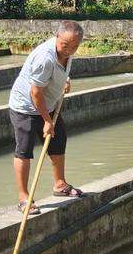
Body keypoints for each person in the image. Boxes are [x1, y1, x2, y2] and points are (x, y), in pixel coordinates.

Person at [8, 20, 85, 215]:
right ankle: (24, 197)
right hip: (26, 106)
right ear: (56, 37)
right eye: (65, 45)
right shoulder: (45, 58)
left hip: (48, 104)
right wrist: (47, 120)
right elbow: (35, 94)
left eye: (75, 46)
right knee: (24, 150)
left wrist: (63, 83)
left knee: (58, 141)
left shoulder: (67, 53)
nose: (69, 50)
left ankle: (60, 185)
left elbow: (56, 76)